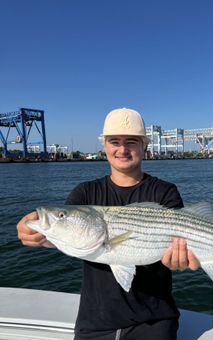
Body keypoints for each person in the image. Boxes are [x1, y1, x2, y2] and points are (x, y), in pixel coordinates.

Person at [17, 108, 200, 340]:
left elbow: (179, 251)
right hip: (93, 322)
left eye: (131, 142)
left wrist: (179, 261)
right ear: (104, 145)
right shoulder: (84, 193)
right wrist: (37, 235)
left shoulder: (164, 192)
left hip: (154, 321)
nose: (122, 149)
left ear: (144, 146)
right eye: (114, 141)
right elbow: (69, 237)